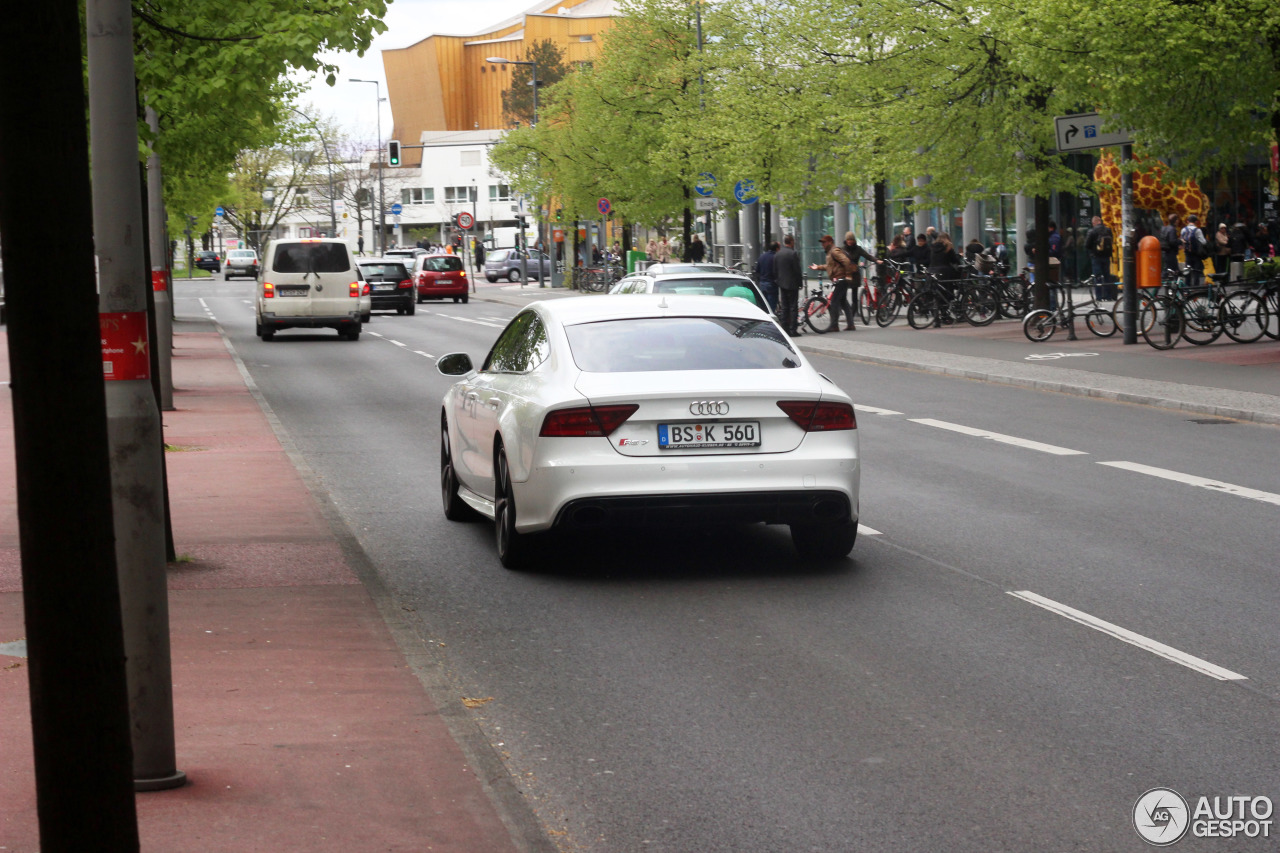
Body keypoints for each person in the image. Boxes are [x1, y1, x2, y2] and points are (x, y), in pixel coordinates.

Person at [774, 234, 803, 335]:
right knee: (793, 307)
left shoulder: (778, 254)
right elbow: (797, 270)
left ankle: (784, 329)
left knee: (785, 307)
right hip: (792, 284)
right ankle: (793, 329)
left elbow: (775, 270)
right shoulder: (793, 254)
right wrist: (800, 283)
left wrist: (778, 281)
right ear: (791, 242)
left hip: (782, 284)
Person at [1083, 215, 1116, 300]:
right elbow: (1111, 240)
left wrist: (1092, 250)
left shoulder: (1092, 231)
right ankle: (1108, 296)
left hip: (1096, 256)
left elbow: (1087, 244)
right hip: (1106, 256)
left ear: (1094, 223)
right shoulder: (1108, 230)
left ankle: (1099, 296)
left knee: (1097, 277)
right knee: (1107, 276)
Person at [927, 232, 961, 297]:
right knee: (949, 287)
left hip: (931, 270)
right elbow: (954, 260)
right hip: (944, 272)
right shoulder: (948, 247)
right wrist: (958, 258)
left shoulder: (933, 247)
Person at [1180, 214, 1207, 286]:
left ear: (1188, 221)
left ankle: (1187, 288)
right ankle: (1195, 289)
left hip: (1187, 254)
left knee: (1187, 272)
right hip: (1196, 255)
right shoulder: (1197, 230)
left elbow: (1182, 240)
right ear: (1196, 222)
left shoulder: (1183, 230)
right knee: (1196, 272)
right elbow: (1203, 242)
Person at [755, 241, 779, 313]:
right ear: (777, 249)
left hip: (762, 283)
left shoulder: (762, 256)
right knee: (771, 306)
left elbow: (757, 270)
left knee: (764, 305)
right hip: (772, 283)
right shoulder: (775, 257)